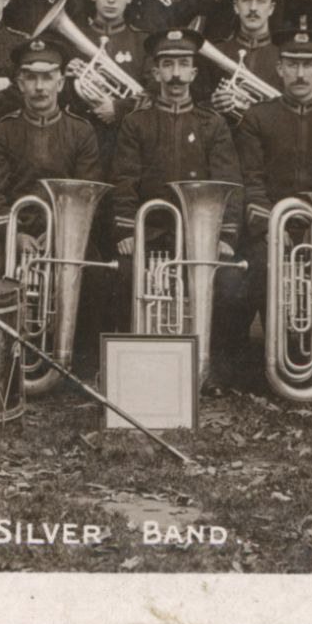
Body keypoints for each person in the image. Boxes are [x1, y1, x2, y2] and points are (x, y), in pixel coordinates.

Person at [227, 24, 312, 388]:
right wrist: (272, 228)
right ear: (280, 69)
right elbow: (250, 181)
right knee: (252, 273)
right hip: (269, 229)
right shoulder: (258, 117)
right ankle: (254, 369)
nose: (300, 74)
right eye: (292, 65)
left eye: (309, 65)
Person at [108, 28, 245, 381]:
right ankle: (135, 366)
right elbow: (124, 179)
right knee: (123, 277)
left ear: (194, 73)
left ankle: (213, 370)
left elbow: (230, 183)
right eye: (167, 65)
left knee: (229, 285)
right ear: (155, 72)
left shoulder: (212, 124)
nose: (175, 75)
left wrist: (225, 235)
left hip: (199, 235)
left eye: (183, 65)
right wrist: (126, 228)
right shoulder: (136, 123)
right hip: (150, 232)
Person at [0, 37, 104, 279]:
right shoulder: (2, 131)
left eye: (47, 77)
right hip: (13, 231)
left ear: (61, 83)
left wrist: (58, 232)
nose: (39, 87)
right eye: (31, 78)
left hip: (65, 230)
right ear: (20, 84)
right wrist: (15, 236)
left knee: (93, 273)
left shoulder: (81, 132)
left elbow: (87, 196)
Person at [66, 0, 148, 172]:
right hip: (79, 141)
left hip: (127, 142)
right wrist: (66, 78)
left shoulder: (142, 42)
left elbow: (154, 92)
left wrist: (118, 108)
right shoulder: (73, 39)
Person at [197, 0, 285, 122]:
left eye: (261, 1)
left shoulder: (284, 56)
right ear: (236, 7)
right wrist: (213, 105)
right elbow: (196, 107)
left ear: (271, 9)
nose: (253, 8)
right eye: (245, 0)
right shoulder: (216, 52)